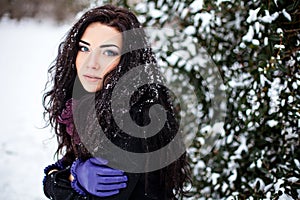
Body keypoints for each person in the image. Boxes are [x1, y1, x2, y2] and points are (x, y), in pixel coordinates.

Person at [42, 4, 190, 200]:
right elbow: (69, 162)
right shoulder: (91, 104)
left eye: (108, 52)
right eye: (84, 48)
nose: (91, 63)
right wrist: (71, 173)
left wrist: (61, 178)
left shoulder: (134, 116)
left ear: (127, 60)